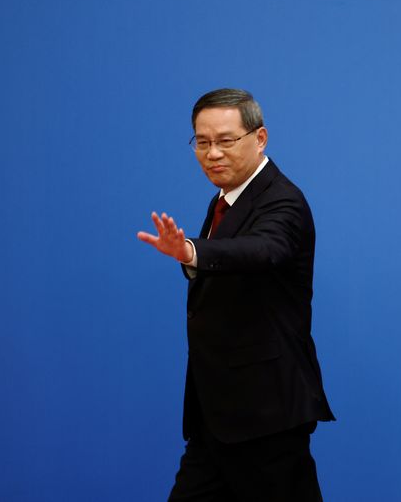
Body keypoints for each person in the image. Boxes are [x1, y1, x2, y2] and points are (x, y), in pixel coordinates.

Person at [137, 88, 334, 501]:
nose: (213, 154)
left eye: (226, 141)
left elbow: (264, 250)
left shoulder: (283, 200)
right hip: (219, 417)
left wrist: (192, 250)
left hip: (265, 416)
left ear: (259, 138)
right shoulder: (223, 201)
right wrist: (194, 256)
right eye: (203, 142)